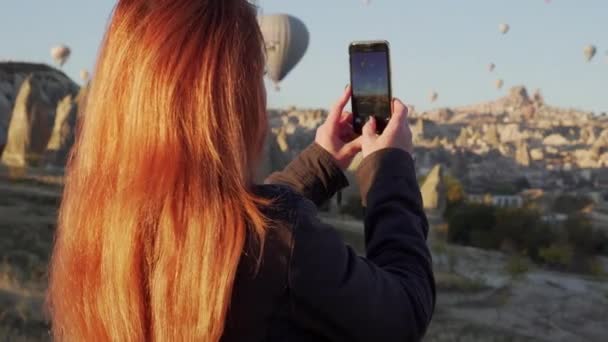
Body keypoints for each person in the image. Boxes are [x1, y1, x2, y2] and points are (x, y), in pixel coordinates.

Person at [47, 0, 435, 341]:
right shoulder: (280, 242)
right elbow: (403, 312)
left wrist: (320, 161)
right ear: (231, 97)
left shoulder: (99, 225)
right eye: (257, 74)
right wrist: (389, 168)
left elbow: (232, 223)